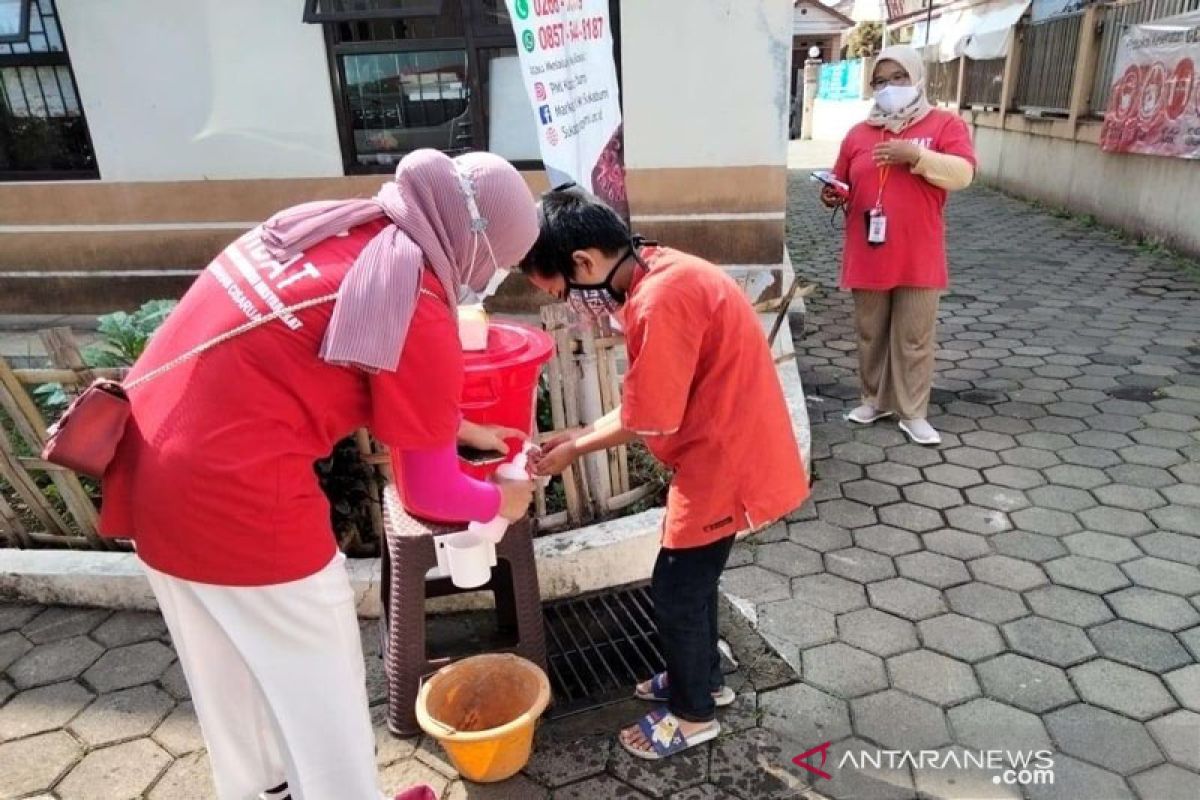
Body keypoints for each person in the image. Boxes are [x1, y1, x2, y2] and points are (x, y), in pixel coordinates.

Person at [99, 150, 538, 800]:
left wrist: (462, 431)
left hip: (141, 465)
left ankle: (261, 790)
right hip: (238, 501)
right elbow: (429, 494)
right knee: (320, 688)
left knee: (227, 678)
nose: (492, 280)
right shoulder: (415, 294)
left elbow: (322, 360)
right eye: (500, 264)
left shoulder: (333, 228)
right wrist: (503, 499)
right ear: (475, 244)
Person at [520, 186, 809, 760]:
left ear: (584, 262)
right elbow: (643, 398)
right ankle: (700, 677)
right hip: (723, 441)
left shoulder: (659, 301)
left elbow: (650, 416)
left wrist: (572, 452)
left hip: (721, 456)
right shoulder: (660, 266)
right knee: (693, 581)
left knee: (676, 589)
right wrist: (576, 435)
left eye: (562, 291)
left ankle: (692, 713)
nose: (573, 306)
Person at [821, 45, 976, 446]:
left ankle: (913, 412)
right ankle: (873, 399)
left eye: (898, 78)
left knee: (914, 336)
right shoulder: (859, 133)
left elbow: (962, 174)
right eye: (880, 81)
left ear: (917, 78)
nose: (889, 87)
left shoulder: (944, 125)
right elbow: (843, 179)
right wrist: (834, 193)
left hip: (918, 253)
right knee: (870, 332)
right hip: (868, 249)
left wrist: (916, 156)